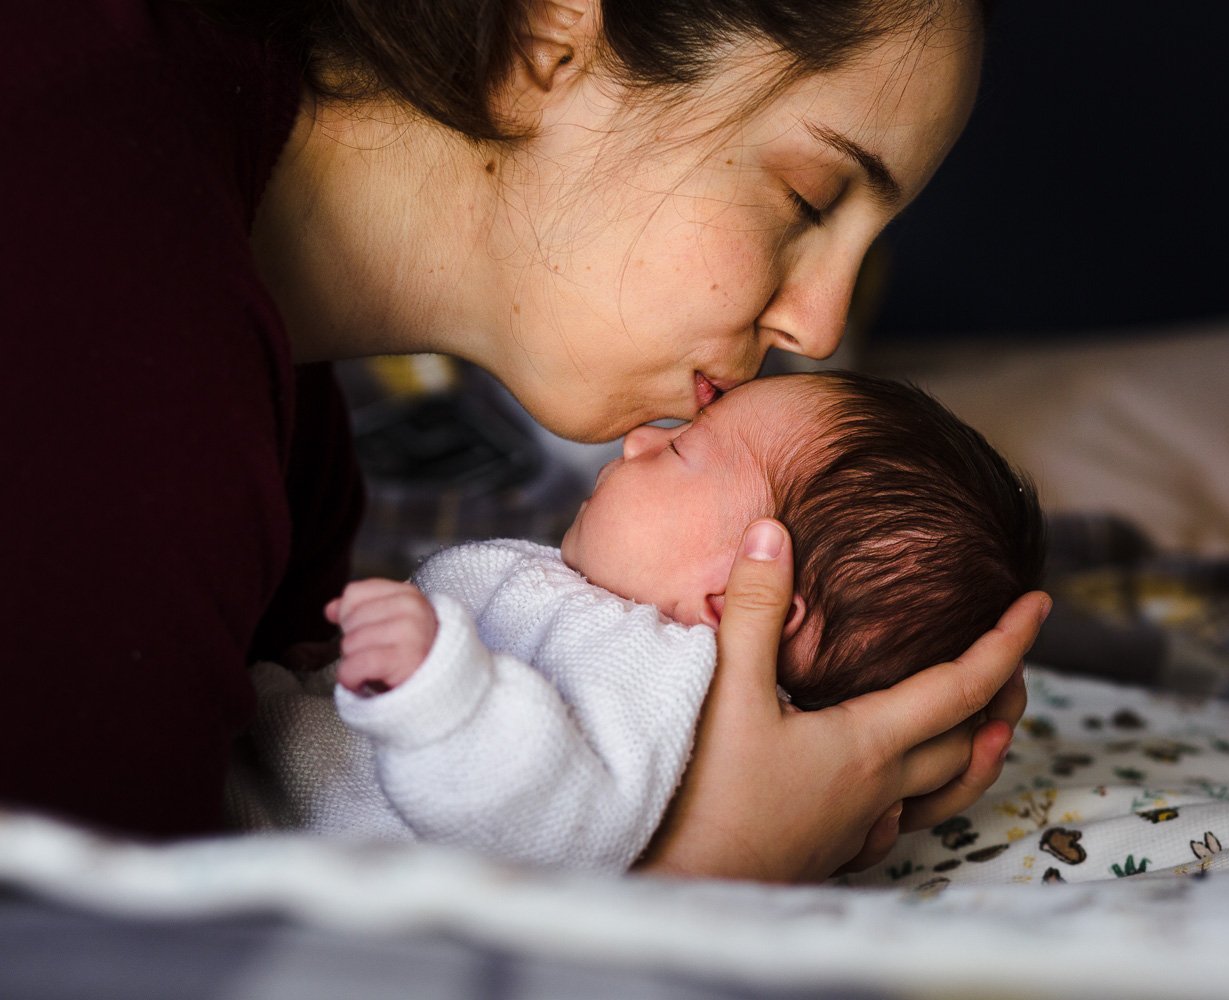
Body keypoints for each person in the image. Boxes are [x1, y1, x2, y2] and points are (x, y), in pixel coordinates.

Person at [3, 0, 1049, 881]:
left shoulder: (286, 432)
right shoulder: (117, 324)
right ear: (552, 41)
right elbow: (87, 952)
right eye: (808, 196)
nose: (819, 326)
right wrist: (703, 870)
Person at [230, 371, 1045, 871]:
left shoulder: (652, 679)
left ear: (738, 595)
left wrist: (431, 687)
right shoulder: (609, 622)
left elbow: (545, 824)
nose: (639, 441)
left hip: (256, 845)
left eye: (687, 449)